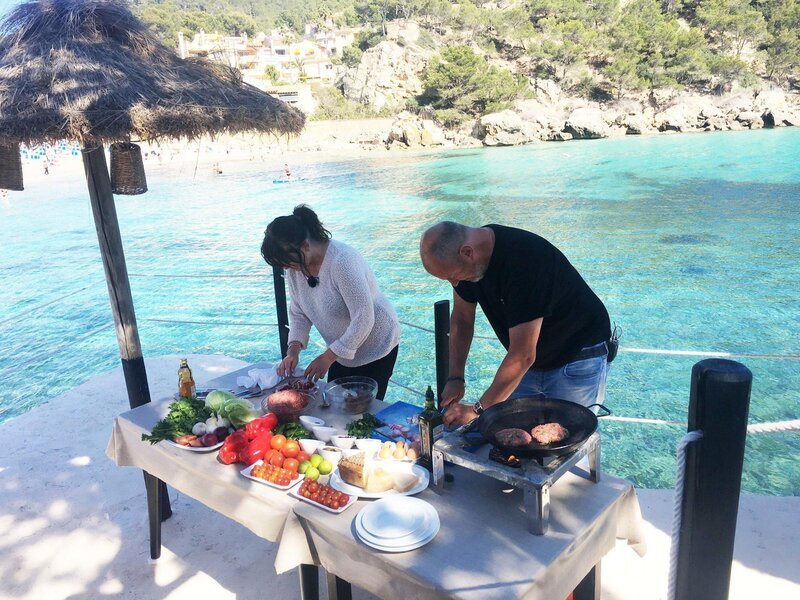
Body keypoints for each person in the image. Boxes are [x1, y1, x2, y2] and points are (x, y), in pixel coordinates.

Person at [420, 221, 614, 429]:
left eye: (452, 276)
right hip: (532, 360)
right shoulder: (466, 263)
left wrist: (478, 410)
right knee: (517, 437)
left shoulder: (525, 261)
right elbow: (462, 319)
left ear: (468, 252)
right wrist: (455, 376)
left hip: (578, 355)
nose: (455, 284)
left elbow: (522, 355)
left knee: (567, 441)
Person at [261, 205, 400, 399]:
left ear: (305, 246)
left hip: (376, 344)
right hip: (340, 348)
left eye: (287, 261)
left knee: (361, 410)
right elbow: (299, 311)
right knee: (336, 403)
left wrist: (327, 357)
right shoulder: (295, 268)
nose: (286, 267)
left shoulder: (343, 261)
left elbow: (363, 318)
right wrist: (293, 350)